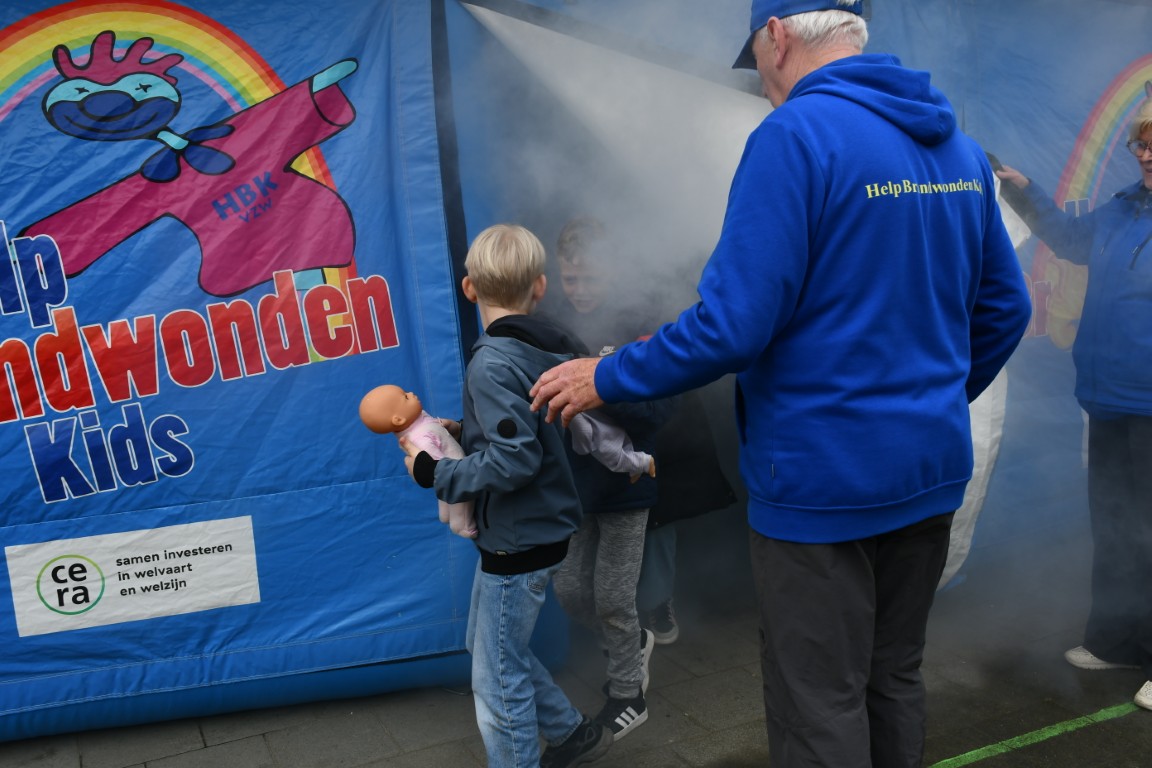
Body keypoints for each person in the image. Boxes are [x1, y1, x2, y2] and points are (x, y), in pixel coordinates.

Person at [529, 1, 1032, 765]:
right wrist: (930, 403)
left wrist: (607, 373)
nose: (762, 81)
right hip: (928, 470)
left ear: (777, 36)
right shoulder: (956, 146)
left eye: (757, 59)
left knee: (818, 701)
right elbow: (1007, 308)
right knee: (893, 678)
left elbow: (732, 326)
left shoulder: (793, 137)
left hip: (821, 487)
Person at [398, 223, 611, 768]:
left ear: (469, 289)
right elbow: (526, 431)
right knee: (490, 647)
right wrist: (463, 431)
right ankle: (571, 734)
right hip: (536, 528)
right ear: (540, 287)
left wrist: (435, 472)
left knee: (496, 674)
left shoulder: (492, 361)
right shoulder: (543, 347)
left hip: (518, 538)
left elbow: (517, 458)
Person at [994, 96, 1152, 712]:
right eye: (1141, 143)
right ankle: (1116, 641)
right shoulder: (1121, 208)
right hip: (1109, 398)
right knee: (1117, 526)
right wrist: (1023, 192)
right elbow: (1068, 239)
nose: (1146, 154)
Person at [541, 215, 671, 742]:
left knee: (614, 599)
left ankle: (628, 695)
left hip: (627, 490)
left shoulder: (640, 324)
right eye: (570, 278)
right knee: (572, 593)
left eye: (591, 278)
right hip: (574, 489)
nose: (579, 289)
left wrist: (602, 387)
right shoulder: (552, 325)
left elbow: (661, 410)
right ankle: (632, 644)